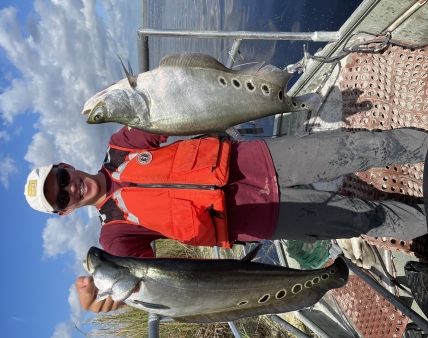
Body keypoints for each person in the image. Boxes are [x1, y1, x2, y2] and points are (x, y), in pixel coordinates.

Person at [25, 126, 428, 313]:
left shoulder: (122, 143)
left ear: (65, 165)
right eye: (60, 198)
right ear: (65, 212)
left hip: (260, 159)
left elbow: (177, 113)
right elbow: (132, 281)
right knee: (364, 218)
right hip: (264, 219)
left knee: (363, 147)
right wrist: (97, 294)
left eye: (61, 178)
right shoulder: (114, 238)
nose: (69, 188)